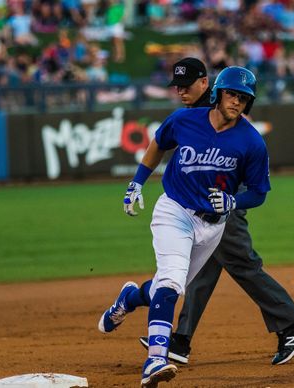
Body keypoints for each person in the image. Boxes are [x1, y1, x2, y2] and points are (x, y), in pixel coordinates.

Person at [98, 66, 272, 387]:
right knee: (172, 282)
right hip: (174, 211)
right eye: (232, 94)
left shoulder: (251, 143)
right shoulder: (185, 120)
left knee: (169, 286)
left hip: (212, 228)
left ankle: (129, 299)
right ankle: (155, 359)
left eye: (244, 98)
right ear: (219, 93)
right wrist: (136, 183)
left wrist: (235, 203)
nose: (237, 102)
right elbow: (158, 143)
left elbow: (259, 193)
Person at [139, 57, 294, 367]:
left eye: (185, 85)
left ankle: (289, 324)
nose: (180, 91)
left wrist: (233, 202)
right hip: (196, 205)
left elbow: (246, 165)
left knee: (242, 264)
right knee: (203, 271)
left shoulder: (225, 102)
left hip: (223, 207)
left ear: (206, 84)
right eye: (176, 85)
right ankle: (181, 340)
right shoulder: (196, 112)